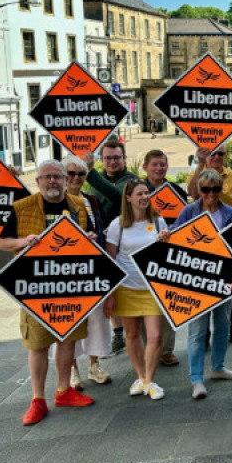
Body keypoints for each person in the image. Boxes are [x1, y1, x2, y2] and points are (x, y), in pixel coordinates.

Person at [0, 159, 96, 425]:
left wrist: (88, 240)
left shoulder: (78, 206)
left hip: (70, 286)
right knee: (38, 344)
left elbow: (85, 238)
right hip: (36, 288)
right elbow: (2, 242)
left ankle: (64, 391)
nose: (53, 181)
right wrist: (23, 241)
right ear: (37, 181)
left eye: (57, 176)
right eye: (47, 177)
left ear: (65, 180)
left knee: (68, 339)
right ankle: (37, 399)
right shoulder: (21, 208)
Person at [176, 169, 232, 399]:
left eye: (215, 189)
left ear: (221, 190)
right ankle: (196, 380)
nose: (211, 194)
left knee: (223, 325)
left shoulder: (231, 213)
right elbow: (175, 240)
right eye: (205, 189)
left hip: (224, 279)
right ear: (199, 191)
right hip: (196, 281)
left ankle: (218, 367)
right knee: (197, 331)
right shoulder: (189, 211)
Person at [103, 180, 172, 401]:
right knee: (131, 334)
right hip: (126, 287)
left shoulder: (159, 221)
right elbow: (110, 260)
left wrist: (165, 242)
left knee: (156, 336)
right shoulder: (117, 225)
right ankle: (141, 377)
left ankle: (150, 380)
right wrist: (110, 294)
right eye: (139, 193)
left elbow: (168, 257)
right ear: (128, 198)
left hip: (152, 288)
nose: (144, 197)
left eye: (147, 193)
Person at [83, 139, 139, 354]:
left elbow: (116, 195)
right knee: (111, 288)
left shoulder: (130, 180)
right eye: (107, 158)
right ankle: (118, 334)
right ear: (102, 160)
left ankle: (132, 333)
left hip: (125, 243)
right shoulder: (97, 180)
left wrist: (89, 172)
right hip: (102, 243)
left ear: (124, 158)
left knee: (127, 289)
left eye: (116, 157)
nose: (112, 162)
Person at [188, 145, 232, 344]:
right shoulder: (197, 172)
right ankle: (203, 335)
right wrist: (200, 163)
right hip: (201, 242)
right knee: (203, 289)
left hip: (225, 237)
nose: (216, 156)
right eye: (212, 153)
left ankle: (231, 330)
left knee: (230, 287)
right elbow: (191, 192)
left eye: (220, 153)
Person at [61, 155, 112, 390]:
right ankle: (72, 370)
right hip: (64, 273)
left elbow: (99, 231)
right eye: (71, 174)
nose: (76, 178)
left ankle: (94, 365)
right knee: (69, 321)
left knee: (96, 320)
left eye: (80, 174)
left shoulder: (91, 200)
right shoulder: (55, 201)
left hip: (92, 269)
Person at [140, 149, 183, 367]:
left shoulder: (174, 189)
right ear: (145, 167)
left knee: (169, 302)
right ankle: (147, 348)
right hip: (143, 253)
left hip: (169, 254)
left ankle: (166, 350)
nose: (159, 168)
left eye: (163, 164)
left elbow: (187, 217)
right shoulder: (138, 190)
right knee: (143, 305)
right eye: (154, 164)